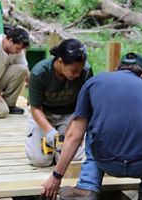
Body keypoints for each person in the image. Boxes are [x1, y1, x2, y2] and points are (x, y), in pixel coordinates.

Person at [41, 52, 142, 200]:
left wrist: (56, 176)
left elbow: (75, 135)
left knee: (94, 120)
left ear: (116, 68)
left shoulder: (94, 82)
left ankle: (87, 187)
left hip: (107, 162)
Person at [25, 39, 93, 167]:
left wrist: (71, 128)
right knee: (40, 161)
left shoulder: (86, 71)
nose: (78, 74)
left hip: (70, 114)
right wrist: (50, 131)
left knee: (73, 159)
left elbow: (85, 104)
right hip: (44, 114)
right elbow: (35, 108)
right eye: (74, 70)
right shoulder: (40, 72)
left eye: (81, 69)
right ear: (60, 61)